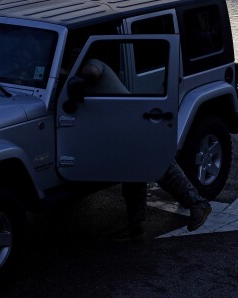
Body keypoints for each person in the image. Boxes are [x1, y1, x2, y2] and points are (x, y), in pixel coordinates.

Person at [76, 60, 212, 242]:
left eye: (74, 52)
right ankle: (135, 226)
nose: (72, 54)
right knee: (133, 176)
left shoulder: (93, 63)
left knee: (161, 167)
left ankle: (198, 204)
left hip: (134, 122)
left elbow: (91, 72)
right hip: (123, 127)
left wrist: (67, 72)